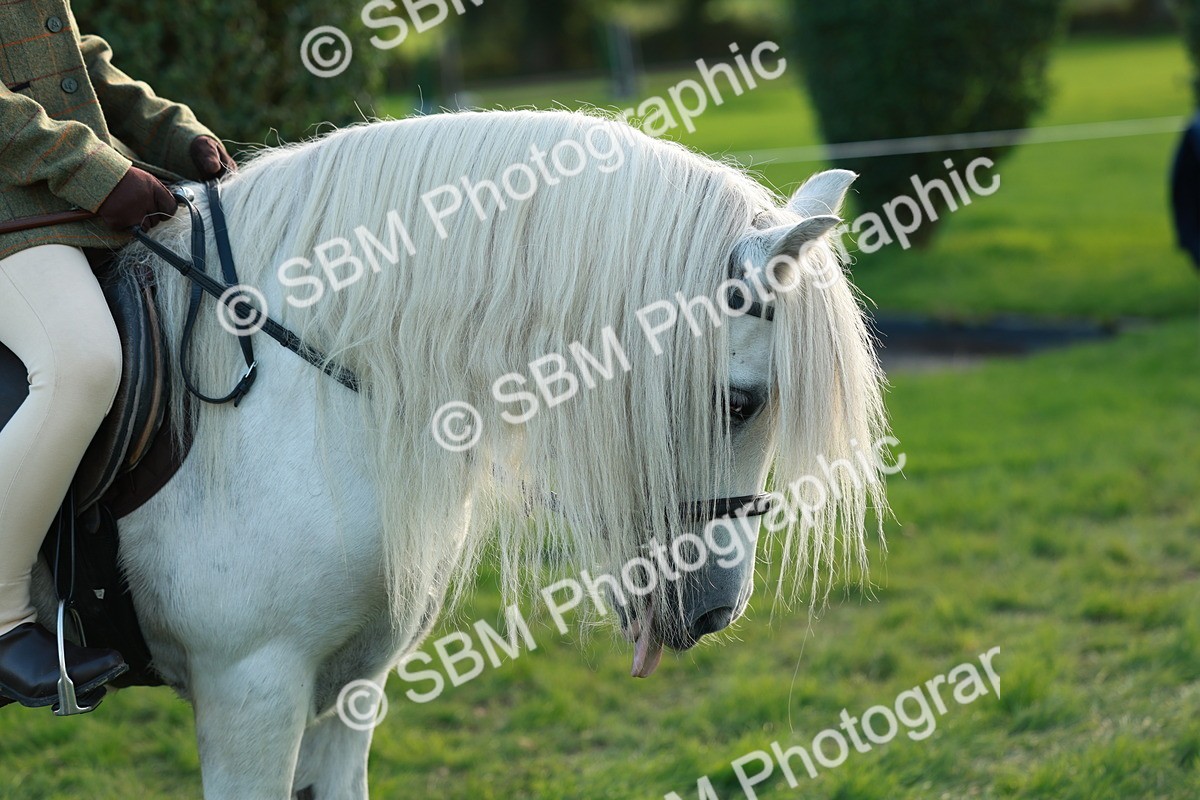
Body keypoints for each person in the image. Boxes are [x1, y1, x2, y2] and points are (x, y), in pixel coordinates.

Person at [0, 1, 235, 710]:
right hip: (17, 218)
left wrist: (174, 129)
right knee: (81, 362)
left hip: (59, 200)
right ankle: (5, 618)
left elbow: (69, 54)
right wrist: (97, 174)